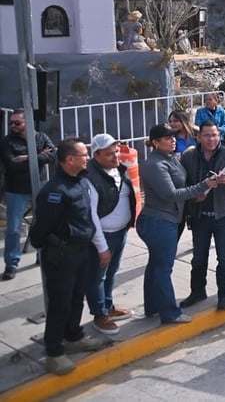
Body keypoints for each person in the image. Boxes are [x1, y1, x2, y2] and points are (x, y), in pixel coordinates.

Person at [28, 138, 110, 375]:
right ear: (69, 159)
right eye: (84, 155)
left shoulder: (81, 183)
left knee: (76, 299)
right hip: (61, 257)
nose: (88, 158)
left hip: (82, 253)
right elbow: (39, 233)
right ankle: (54, 352)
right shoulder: (54, 192)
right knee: (60, 305)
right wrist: (59, 245)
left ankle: (73, 337)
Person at [136, 124, 218, 328]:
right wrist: (203, 186)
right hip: (159, 221)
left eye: (173, 136)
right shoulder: (155, 164)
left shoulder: (170, 158)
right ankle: (170, 313)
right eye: (167, 138)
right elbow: (171, 194)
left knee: (156, 265)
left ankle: (153, 306)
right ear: (155, 143)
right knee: (163, 268)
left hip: (167, 218)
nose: (173, 140)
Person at [179, 122, 225, 311]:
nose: (211, 139)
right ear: (198, 137)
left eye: (215, 135)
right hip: (200, 216)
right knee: (199, 258)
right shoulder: (189, 157)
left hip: (223, 215)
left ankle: (223, 294)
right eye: (207, 135)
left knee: (224, 257)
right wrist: (195, 196)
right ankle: (197, 291)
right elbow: (183, 184)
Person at [83, 134, 137, 336]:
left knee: (110, 273)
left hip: (119, 233)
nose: (115, 156)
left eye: (115, 151)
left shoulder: (119, 169)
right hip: (103, 236)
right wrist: (101, 246)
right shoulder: (90, 178)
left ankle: (108, 306)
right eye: (109, 154)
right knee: (97, 277)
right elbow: (92, 216)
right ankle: (100, 315)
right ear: (95, 155)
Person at [1, 109, 57, 280]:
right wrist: (38, 156)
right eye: (11, 123)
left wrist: (25, 158)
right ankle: (11, 264)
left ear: (28, 123)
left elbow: (53, 155)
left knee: (43, 224)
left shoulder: (40, 137)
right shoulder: (6, 142)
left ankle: (42, 256)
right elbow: (11, 165)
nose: (13, 126)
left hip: (38, 186)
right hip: (15, 190)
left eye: (17, 122)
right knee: (13, 229)